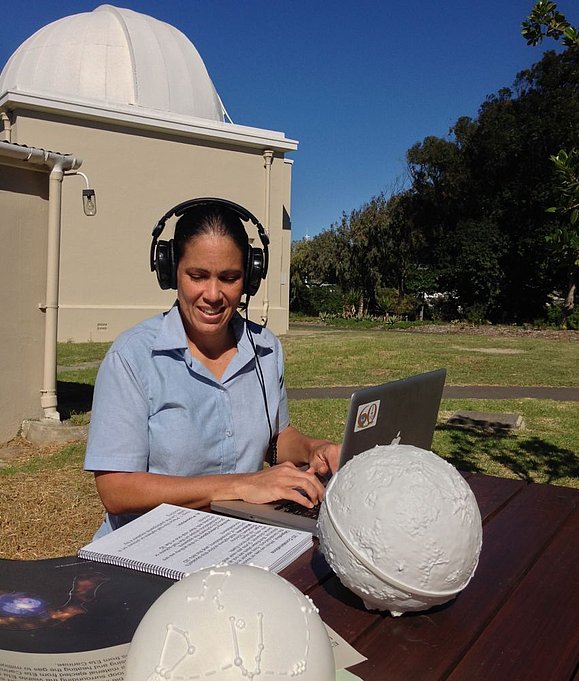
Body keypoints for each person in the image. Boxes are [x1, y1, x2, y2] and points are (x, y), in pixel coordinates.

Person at [84, 199, 340, 537]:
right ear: (170, 270)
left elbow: (276, 439)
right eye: (198, 276)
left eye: (230, 278)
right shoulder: (132, 357)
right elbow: (117, 491)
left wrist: (312, 449)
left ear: (250, 277)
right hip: (147, 547)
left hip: (237, 539)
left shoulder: (265, 349)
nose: (214, 294)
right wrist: (240, 485)